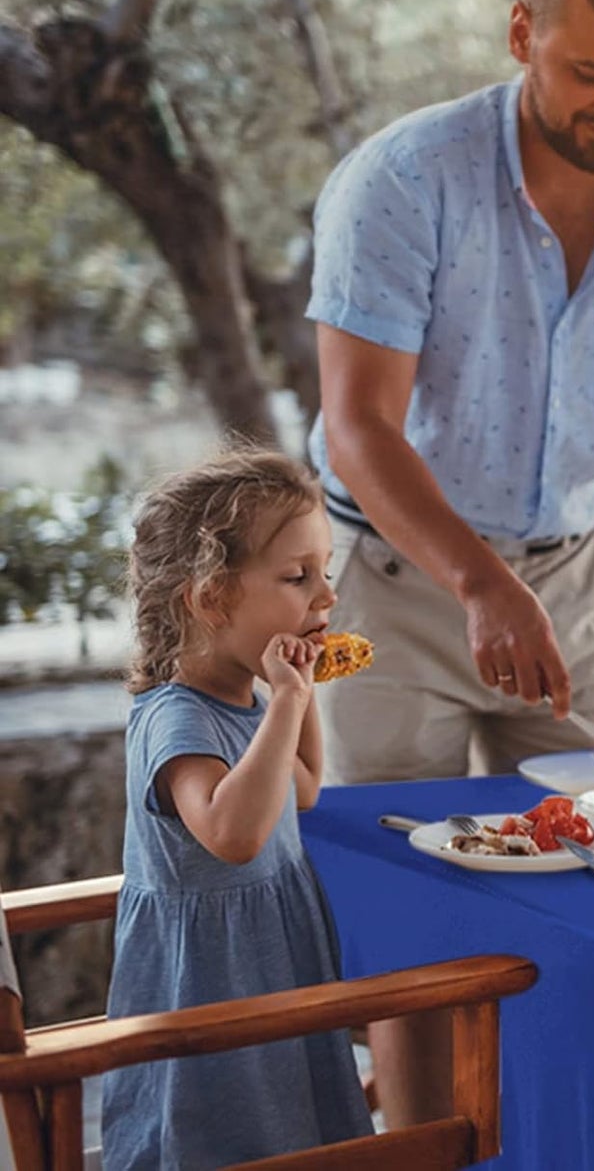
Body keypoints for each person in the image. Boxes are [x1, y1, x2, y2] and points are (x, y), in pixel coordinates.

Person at [305, 0, 594, 1126]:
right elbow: (361, 427)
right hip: (389, 592)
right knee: (407, 905)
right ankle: (415, 1142)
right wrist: (477, 582)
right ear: (521, 34)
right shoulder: (400, 182)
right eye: (589, 73)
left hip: (575, 583)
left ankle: (556, 1133)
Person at [101, 450, 374, 1168]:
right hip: (209, 980)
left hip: (275, 957)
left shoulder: (250, 699)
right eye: (297, 576)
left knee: (289, 1120)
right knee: (217, 1132)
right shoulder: (175, 719)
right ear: (211, 598)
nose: (326, 597)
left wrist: (296, 693)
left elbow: (306, 785)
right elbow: (233, 832)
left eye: (325, 570)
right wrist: (285, 698)